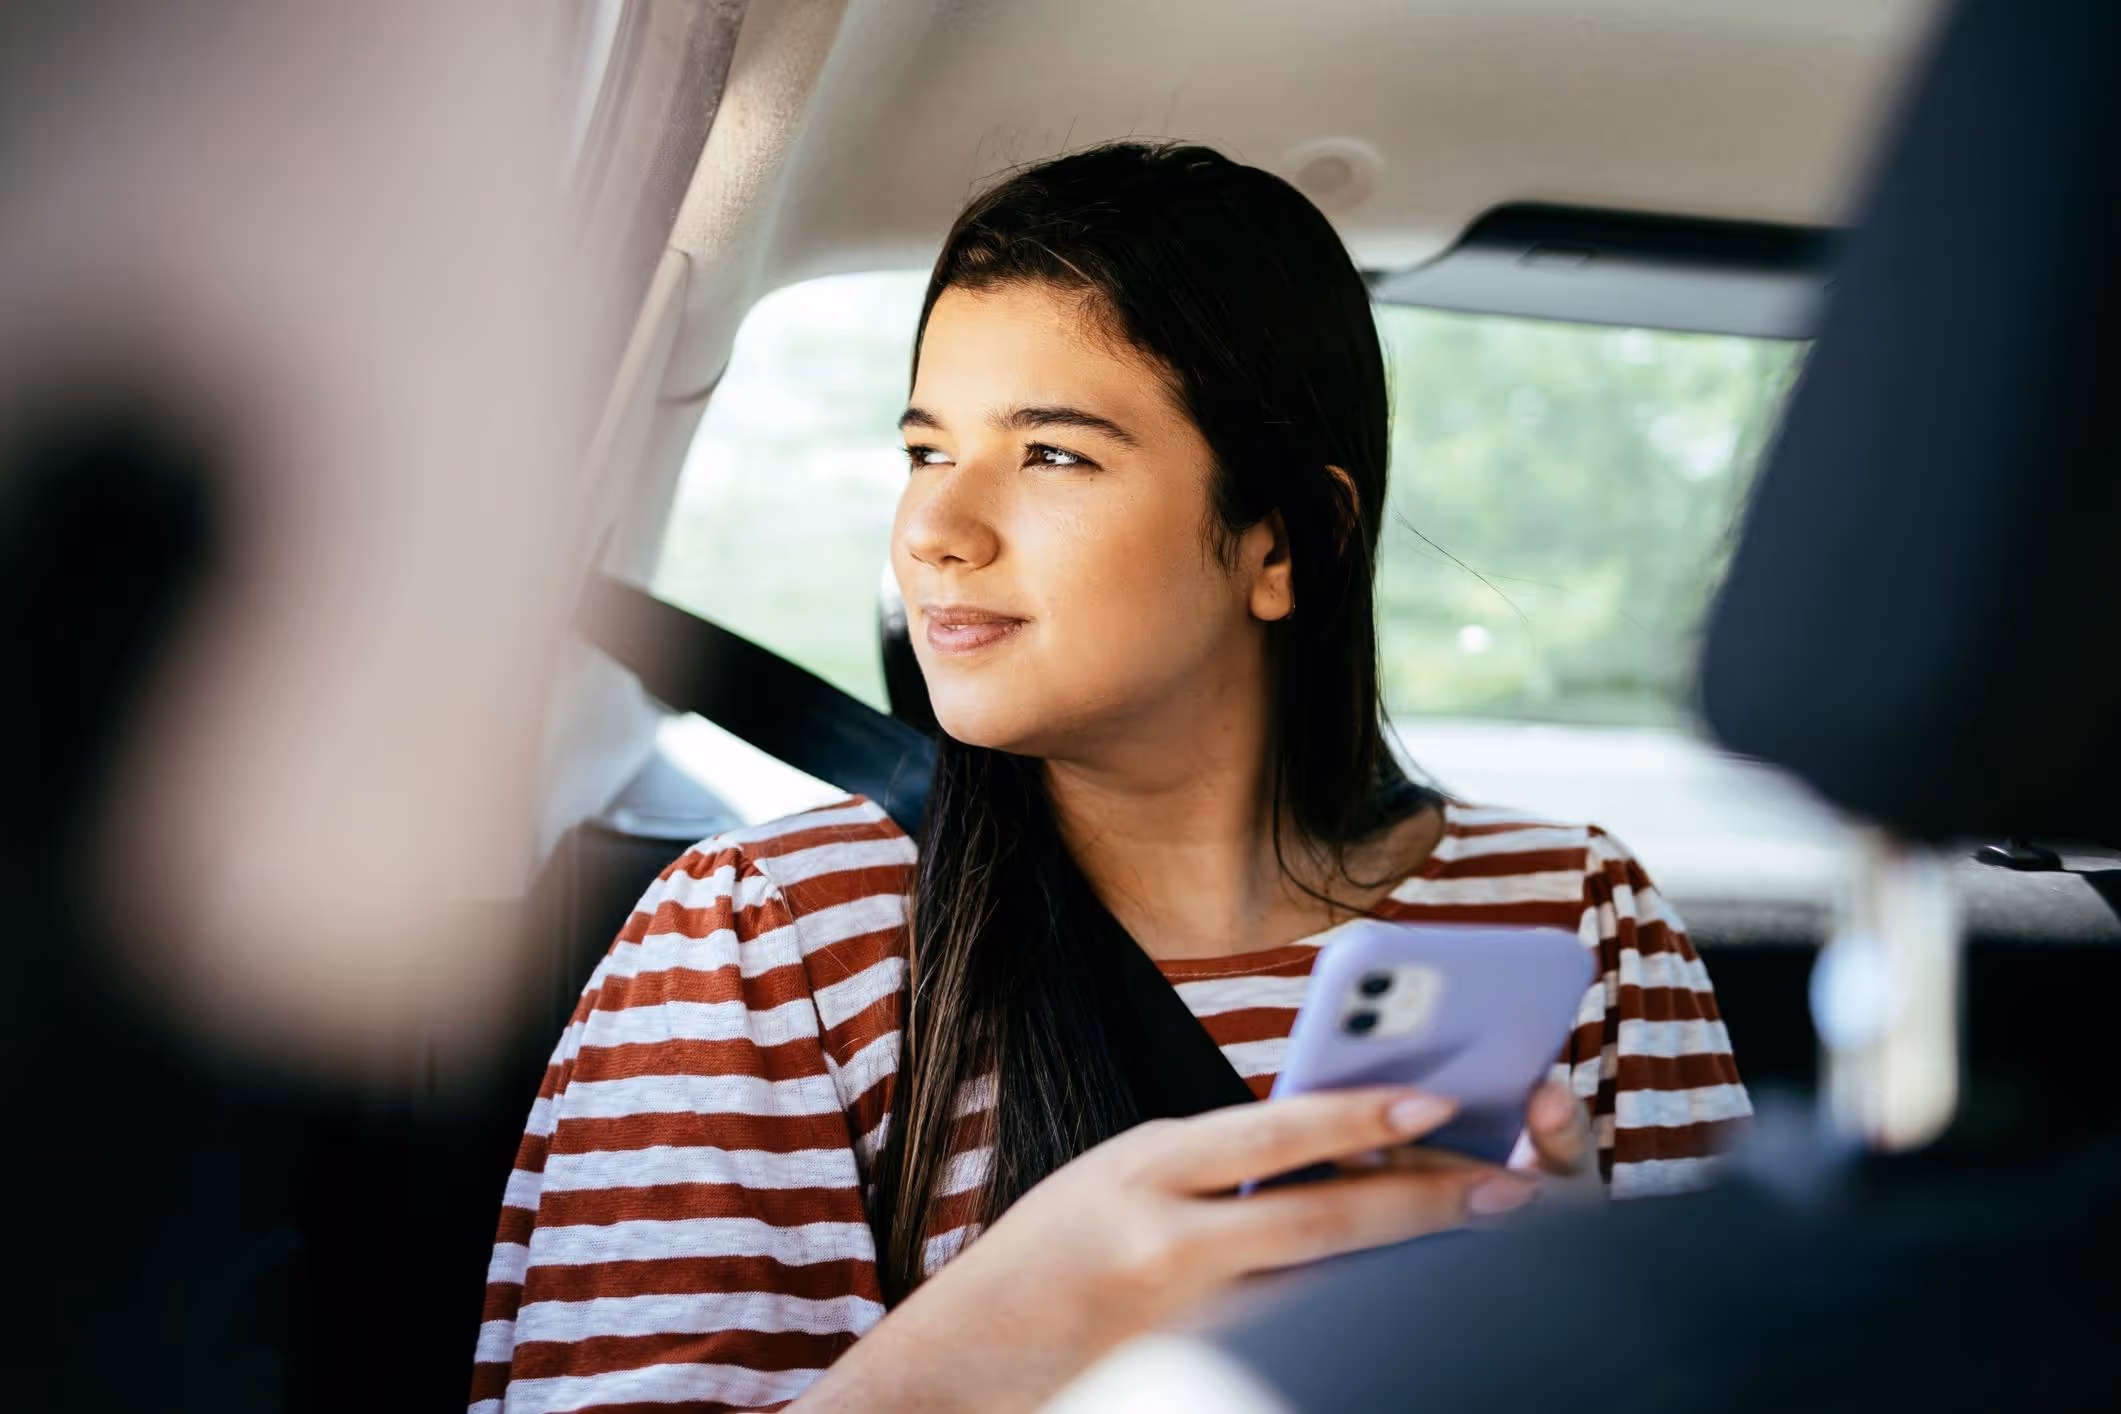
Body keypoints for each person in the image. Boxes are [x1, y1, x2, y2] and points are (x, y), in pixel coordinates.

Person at [470, 142, 1750, 1414]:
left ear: (1285, 541)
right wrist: (987, 1347)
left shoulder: (1582, 922)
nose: (934, 530)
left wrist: (1590, 1326)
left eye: (1052, 456)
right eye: (925, 451)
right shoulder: (757, 940)